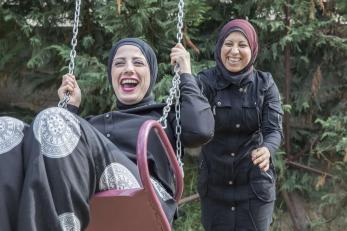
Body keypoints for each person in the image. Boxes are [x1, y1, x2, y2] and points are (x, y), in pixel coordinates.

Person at [17, 38, 214, 230]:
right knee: (8, 130)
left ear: (151, 73)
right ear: (112, 75)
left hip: (146, 196)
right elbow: (64, 163)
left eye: (138, 62)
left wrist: (186, 73)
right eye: (119, 63)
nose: (128, 68)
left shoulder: (164, 117)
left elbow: (200, 130)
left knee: (51, 117)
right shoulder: (93, 124)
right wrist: (70, 109)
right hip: (94, 195)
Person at [196, 19, 283, 231]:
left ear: (252, 49)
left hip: (255, 189)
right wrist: (185, 74)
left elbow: (274, 130)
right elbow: (191, 119)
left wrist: (267, 149)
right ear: (219, 47)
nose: (234, 51)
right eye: (228, 44)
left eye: (242, 45)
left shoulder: (265, 84)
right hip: (214, 189)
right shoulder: (205, 82)